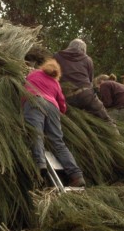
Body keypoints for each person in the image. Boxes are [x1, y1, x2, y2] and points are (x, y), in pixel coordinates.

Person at [23, 58, 86, 187]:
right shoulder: (56, 83)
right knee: (58, 142)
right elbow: (62, 104)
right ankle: (76, 175)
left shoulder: (34, 73)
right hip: (53, 106)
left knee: (36, 134)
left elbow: (24, 85)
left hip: (35, 100)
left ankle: (40, 165)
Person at [54, 39, 117, 129]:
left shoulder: (57, 56)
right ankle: (118, 141)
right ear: (83, 50)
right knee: (106, 120)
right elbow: (90, 81)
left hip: (66, 97)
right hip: (85, 94)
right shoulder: (87, 59)